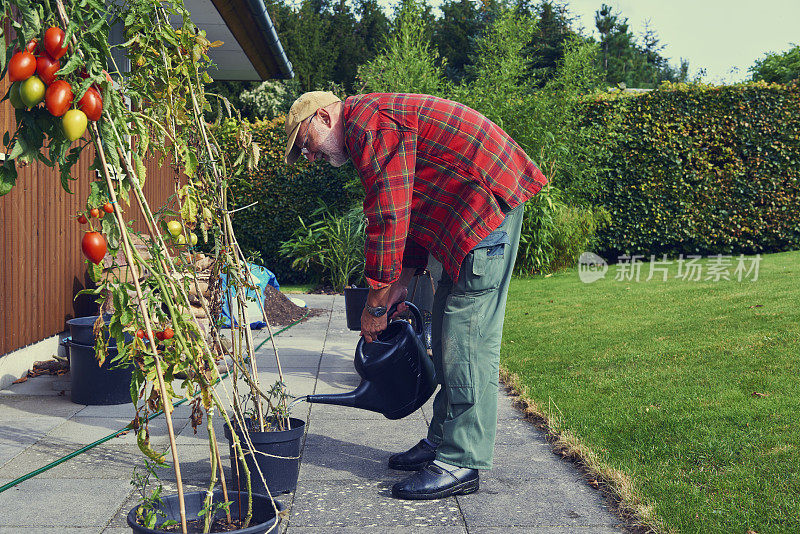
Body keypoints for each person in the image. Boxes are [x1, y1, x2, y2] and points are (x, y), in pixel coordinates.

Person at [284, 91, 547, 500]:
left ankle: (460, 461)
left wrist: (375, 304)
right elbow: (413, 199)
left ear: (323, 116)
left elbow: (388, 214)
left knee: (467, 336)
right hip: (464, 213)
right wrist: (404, 278)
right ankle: (442, 440)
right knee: (445, 329)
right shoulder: (370, 121)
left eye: (306, 145)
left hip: (484, 207)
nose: (311, 157)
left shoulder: (368, 124)